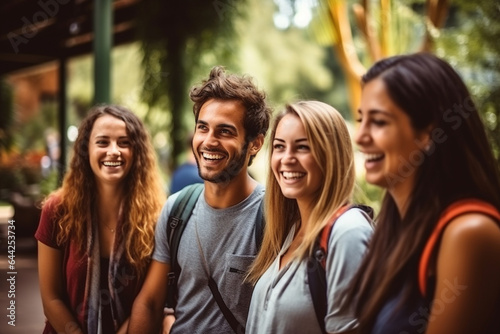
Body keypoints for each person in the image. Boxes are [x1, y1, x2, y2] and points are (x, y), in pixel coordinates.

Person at [351, 52, 500, 334]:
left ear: (427, 134)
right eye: (361, 119)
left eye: (379, 122)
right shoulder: (393, 226)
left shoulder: (469, 231)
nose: (360, 136)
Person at [128, 65, 273, 334]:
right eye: (202, 128)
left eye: (225, 132)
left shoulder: (272, 215)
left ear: (255, 143)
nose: (208, 141)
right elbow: (149, 303)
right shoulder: (176, 210)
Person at [246, 101, 373, 334]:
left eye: (303, 147)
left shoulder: (348, 232)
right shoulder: (290, 230)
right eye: (279, 146)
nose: (287, 158)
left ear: (331, 155)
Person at [35, 105, 165, 334]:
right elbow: (51, 298)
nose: (113, 151)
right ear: (86, 149)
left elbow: (149, 301)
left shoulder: (156, 218)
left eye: (124, 142)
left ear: (138, 152)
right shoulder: (57, 210)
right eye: (103, 142)